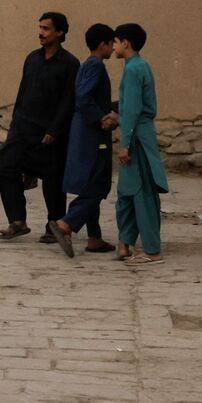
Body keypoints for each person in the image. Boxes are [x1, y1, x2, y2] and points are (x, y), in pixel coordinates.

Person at [0, 13, 79, 241]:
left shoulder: (70, 63)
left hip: (49, 133)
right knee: (7, 169)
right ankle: (17, 221)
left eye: (47, 28)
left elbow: (68, 101)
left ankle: (54, 227)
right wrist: (14, 125)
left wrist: (54, 130)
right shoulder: (32, 58)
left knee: (52, 181)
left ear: (60, 32)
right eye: (40, 27)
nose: (41, 32)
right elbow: (23, 94)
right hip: (23, 130)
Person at [50, 24, 121, 259]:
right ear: (103, 44)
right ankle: (65, 224)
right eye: (111, 43)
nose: (113, 48)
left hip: (86, 133)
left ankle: (94, 238)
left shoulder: (87, 65)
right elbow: (83, 97)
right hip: (93, 136)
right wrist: (102, 117)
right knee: (99, 185)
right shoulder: (95, 66)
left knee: (93, 182)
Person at [112, 23, 168, 267]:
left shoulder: (135, 69)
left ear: (126, 43)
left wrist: (125, 143)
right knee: (127, 192)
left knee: (142, 193)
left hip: (137, 140)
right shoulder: (136, 66)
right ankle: (125, 242)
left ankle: (153, 250)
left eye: (116, 41)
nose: (113, 45)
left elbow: (133, 110)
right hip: (136, 135)